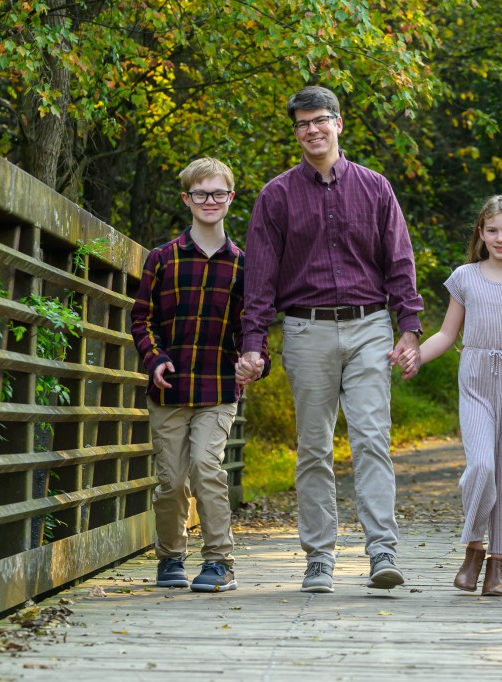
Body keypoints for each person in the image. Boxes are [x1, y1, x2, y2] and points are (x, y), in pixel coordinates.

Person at [236, 85, 423, 594]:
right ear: (295, 132)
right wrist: (253, 342)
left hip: (369, 327)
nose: (312, 130)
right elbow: (260, 278)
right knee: (314, 447)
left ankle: (382, 551)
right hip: (305, 328)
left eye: (321, 120)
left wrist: (409, 327)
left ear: (339, 124)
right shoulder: (276, 196)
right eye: (302, 124)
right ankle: (319, 557)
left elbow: (400, 262)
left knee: (371, 440)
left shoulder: (376, 188)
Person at [399, 195, 502, 596]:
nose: (500, 238)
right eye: (492, 231)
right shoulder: (466, 276)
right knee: (482, 466)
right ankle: (473, 548)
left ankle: (498, 562)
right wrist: (417, 357)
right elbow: (447, 334)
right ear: (481, 234)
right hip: (475, 379)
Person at [131, 157, 270, 593]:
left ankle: (219, 561)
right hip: (170, 390)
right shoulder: (162, 259)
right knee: (170, 480)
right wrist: (153, 359)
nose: (209, 201)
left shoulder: (246, 266)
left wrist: (255, 358)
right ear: (187, 199)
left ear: (231, 199)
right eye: (200, 194)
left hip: (218, 386)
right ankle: (170, 556)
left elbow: (254, 323)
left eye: (218, 193)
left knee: (207, 468)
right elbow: (143, 319)